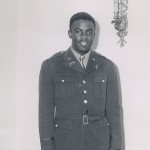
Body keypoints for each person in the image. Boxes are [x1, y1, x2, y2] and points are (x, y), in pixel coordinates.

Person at [39, 12, 123, 150]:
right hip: (65, 142)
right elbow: (45, 114)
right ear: (70, 33)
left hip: (99, 142)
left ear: (94, 34)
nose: (84, 37)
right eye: (78, 31)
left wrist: (116, 147)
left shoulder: (107, 67)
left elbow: (115, 113)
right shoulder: (51, 66)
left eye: (89, 32)